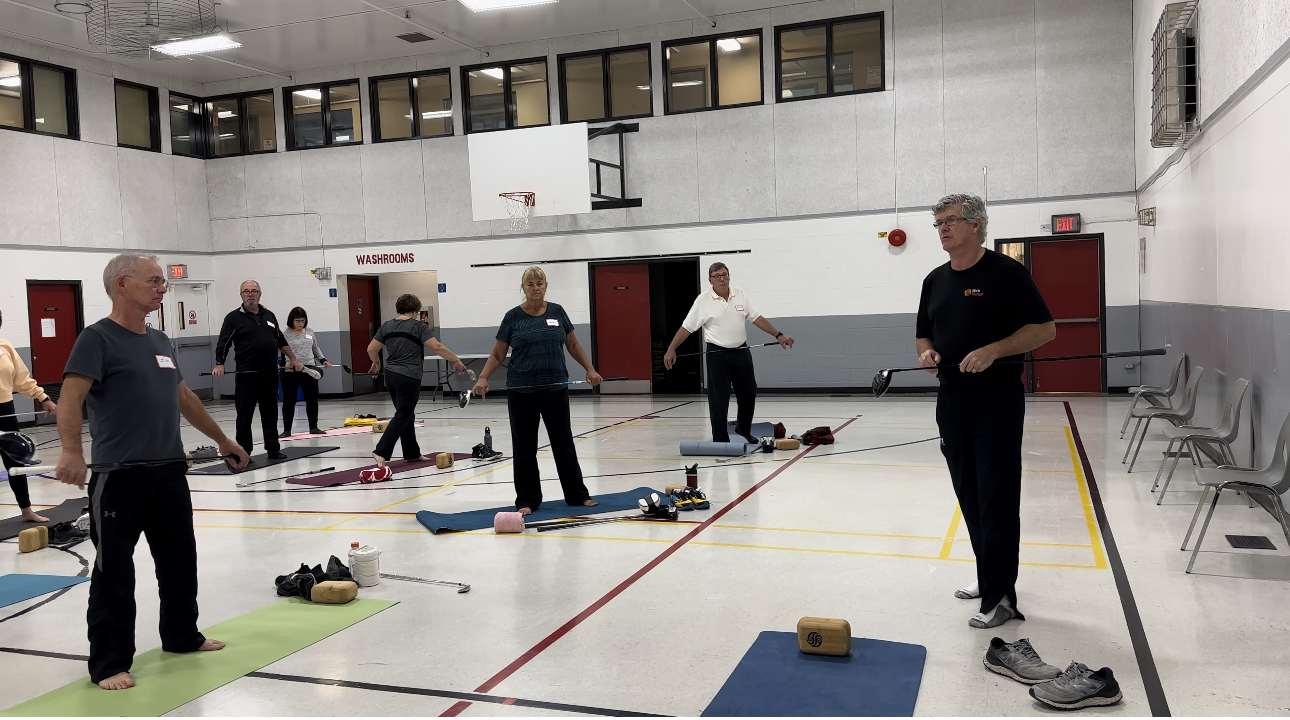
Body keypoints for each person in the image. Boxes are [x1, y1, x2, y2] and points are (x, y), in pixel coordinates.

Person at [53, 252, 249, 691]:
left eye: (162, 282)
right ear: (122, 285)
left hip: (168, 471)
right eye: (154, 280)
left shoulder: (161, 340)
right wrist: (71, 451)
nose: (163, 288)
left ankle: (181, 635)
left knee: (180, 561)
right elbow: (69, 399)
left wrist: (223, 440)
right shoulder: (96, 339)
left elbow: (185, 399)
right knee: (115, 571)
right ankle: (108, 663)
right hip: (119, 475)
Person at [915, 193, 1055, 629]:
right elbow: (923, 334)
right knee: (969, 495)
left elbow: (1044, 330)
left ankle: (1002, 597)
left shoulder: (1006, 273)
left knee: (996, 497)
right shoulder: (934, 280)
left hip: (996, 401)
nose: (942, 228)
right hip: (951, 400)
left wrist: (994, 351)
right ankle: (989, 577)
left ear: (975, 224)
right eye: (938, 222)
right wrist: (928, 354)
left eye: (950, 220)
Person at [471, 267, 602, 515]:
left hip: (555, 389)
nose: (535, 288)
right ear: (523, 288)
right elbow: (498, 353)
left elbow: (572, 344)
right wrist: (483, 377)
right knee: (524, 448)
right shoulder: (512, 317)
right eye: (530, 284)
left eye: (539, 283)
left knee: (563, 444)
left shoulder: (557, 312)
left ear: (546, 285)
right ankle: (527, 501)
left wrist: (590, 369)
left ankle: (577, 495)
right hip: (522, 392)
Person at [663, 263, 794, 443]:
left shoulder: (740, 294)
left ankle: (743, 429)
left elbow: (757, 318)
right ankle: (720, 437)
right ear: (710, 280)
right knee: (719, 397)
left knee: (748, 392)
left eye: (724, 275)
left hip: (741, 351)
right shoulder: (703, 301)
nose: (722, 279)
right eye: (717, 276)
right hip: (717, 354)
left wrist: (778, 335)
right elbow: (687, 327)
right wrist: (672, 348)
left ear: (729, 277)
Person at [367, 293, 468, 468]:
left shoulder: (387, 326)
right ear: (415, 310)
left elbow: (371, 349)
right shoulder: (418, 327)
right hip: (409, 376)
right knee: (404, 414)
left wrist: (376, 361)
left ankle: (412, 453)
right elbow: (437, 347)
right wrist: (456, 359)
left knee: (406, 413)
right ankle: (381, 450)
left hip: (390, 375)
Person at [213, 280, 305, 461]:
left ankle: (273, 449)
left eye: (254, 291)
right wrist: (219, 363)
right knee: (244, 415)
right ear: (241, 295)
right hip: (247, 375)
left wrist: (293, 359)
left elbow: (280, 341)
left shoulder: (269, 315)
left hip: (269, 373)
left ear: (259, 294)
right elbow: (224, 343)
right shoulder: (233, 318)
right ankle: (244, 452)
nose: (250, 294)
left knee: (270, 413)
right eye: (246, 291)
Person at [0, 310, 57, 522]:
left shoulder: (4, 346)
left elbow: (22, 379)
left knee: (15, 462)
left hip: (5, 410)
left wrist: (43, 398)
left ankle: (27, 511)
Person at [280, 307, 332, 437]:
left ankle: (313, 427)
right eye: (297, 321)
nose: (300, 323)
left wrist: (323, 360)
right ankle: (287, 430)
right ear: (291, 320)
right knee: (289, 401)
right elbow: (278, 350)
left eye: (303, 320)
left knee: (312, 399)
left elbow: (315, 348)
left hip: (309, 370)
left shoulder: (310, 332)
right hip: (290, 370)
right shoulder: (284, 334)